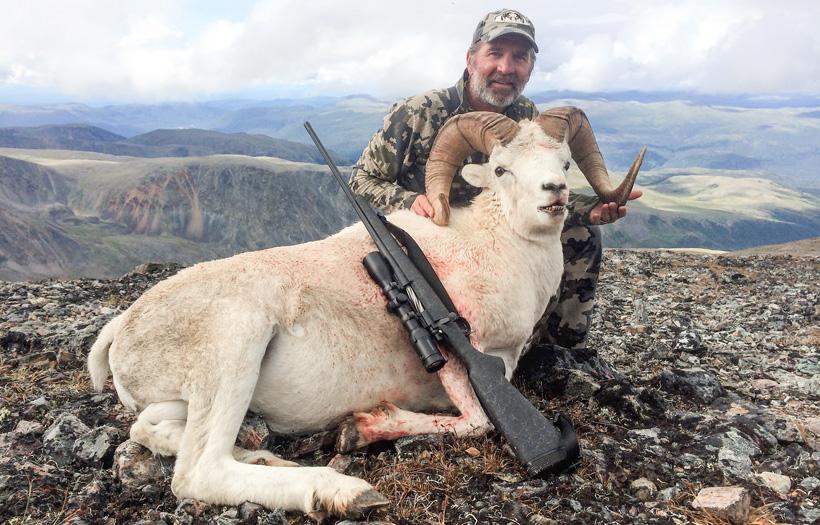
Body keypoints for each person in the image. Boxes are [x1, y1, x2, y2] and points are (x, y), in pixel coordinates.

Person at [349, 8, 641, 378]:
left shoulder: (529, 117)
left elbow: (535, 193)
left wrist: (591, 209)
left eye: (519, 57)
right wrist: (409, 201)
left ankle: (555, 354)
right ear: (471, 59)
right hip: (427, 237)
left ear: (531, 68)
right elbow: (361, 180)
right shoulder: (419, 113)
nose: (506, 67)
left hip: (494, 237)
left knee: (583, 234)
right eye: (495, 53)